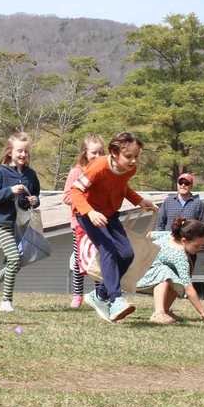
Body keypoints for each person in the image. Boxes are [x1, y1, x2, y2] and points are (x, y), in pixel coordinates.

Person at [68, 131, 159, 323]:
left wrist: (139, 200)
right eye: (129, 156)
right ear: (114, 153)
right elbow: (76, 191)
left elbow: (122, 187)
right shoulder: (98, 167)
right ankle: (116, 299)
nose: (133, 161)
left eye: (136, 156)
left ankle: (99, 295)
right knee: (107, 248)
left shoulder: (129, 169)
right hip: (87, 214)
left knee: (127, 254)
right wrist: (90, 212)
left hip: (110, 215)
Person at [0, 132, 41, 313]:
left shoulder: (31, 175)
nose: (23, 155)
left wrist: (34, 200)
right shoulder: (1, 172)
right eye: (19, 151)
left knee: (16, 262)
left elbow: (35, 196)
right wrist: (9, 191)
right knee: (14, 259)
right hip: (3, 223)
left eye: (26, 152)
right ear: (10, 152)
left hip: (22, 223)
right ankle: (6, 301)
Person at [135, 218, 204, 324]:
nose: (200, 248)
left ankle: (165, 311)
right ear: (183, 240)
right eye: (196, 245)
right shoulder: (179, 256)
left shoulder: (169, 235)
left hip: (141, 270)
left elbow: (150, 234)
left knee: (175, 278)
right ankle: (159, 314)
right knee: (164, 272)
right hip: (138, 277)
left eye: (202, 245)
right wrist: (203, 312)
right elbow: (188, 288)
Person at [63, 134, 105, 308]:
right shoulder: (76, 172)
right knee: (80, 259)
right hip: (80, 224)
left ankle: (99, 294)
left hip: (99, 222)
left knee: (98, 260)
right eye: (93, 152)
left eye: (101, 152)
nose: (97, 156)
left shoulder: (104, 172)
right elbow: (66, 197)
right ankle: (77, 295)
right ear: (85, 153)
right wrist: (83, 201)